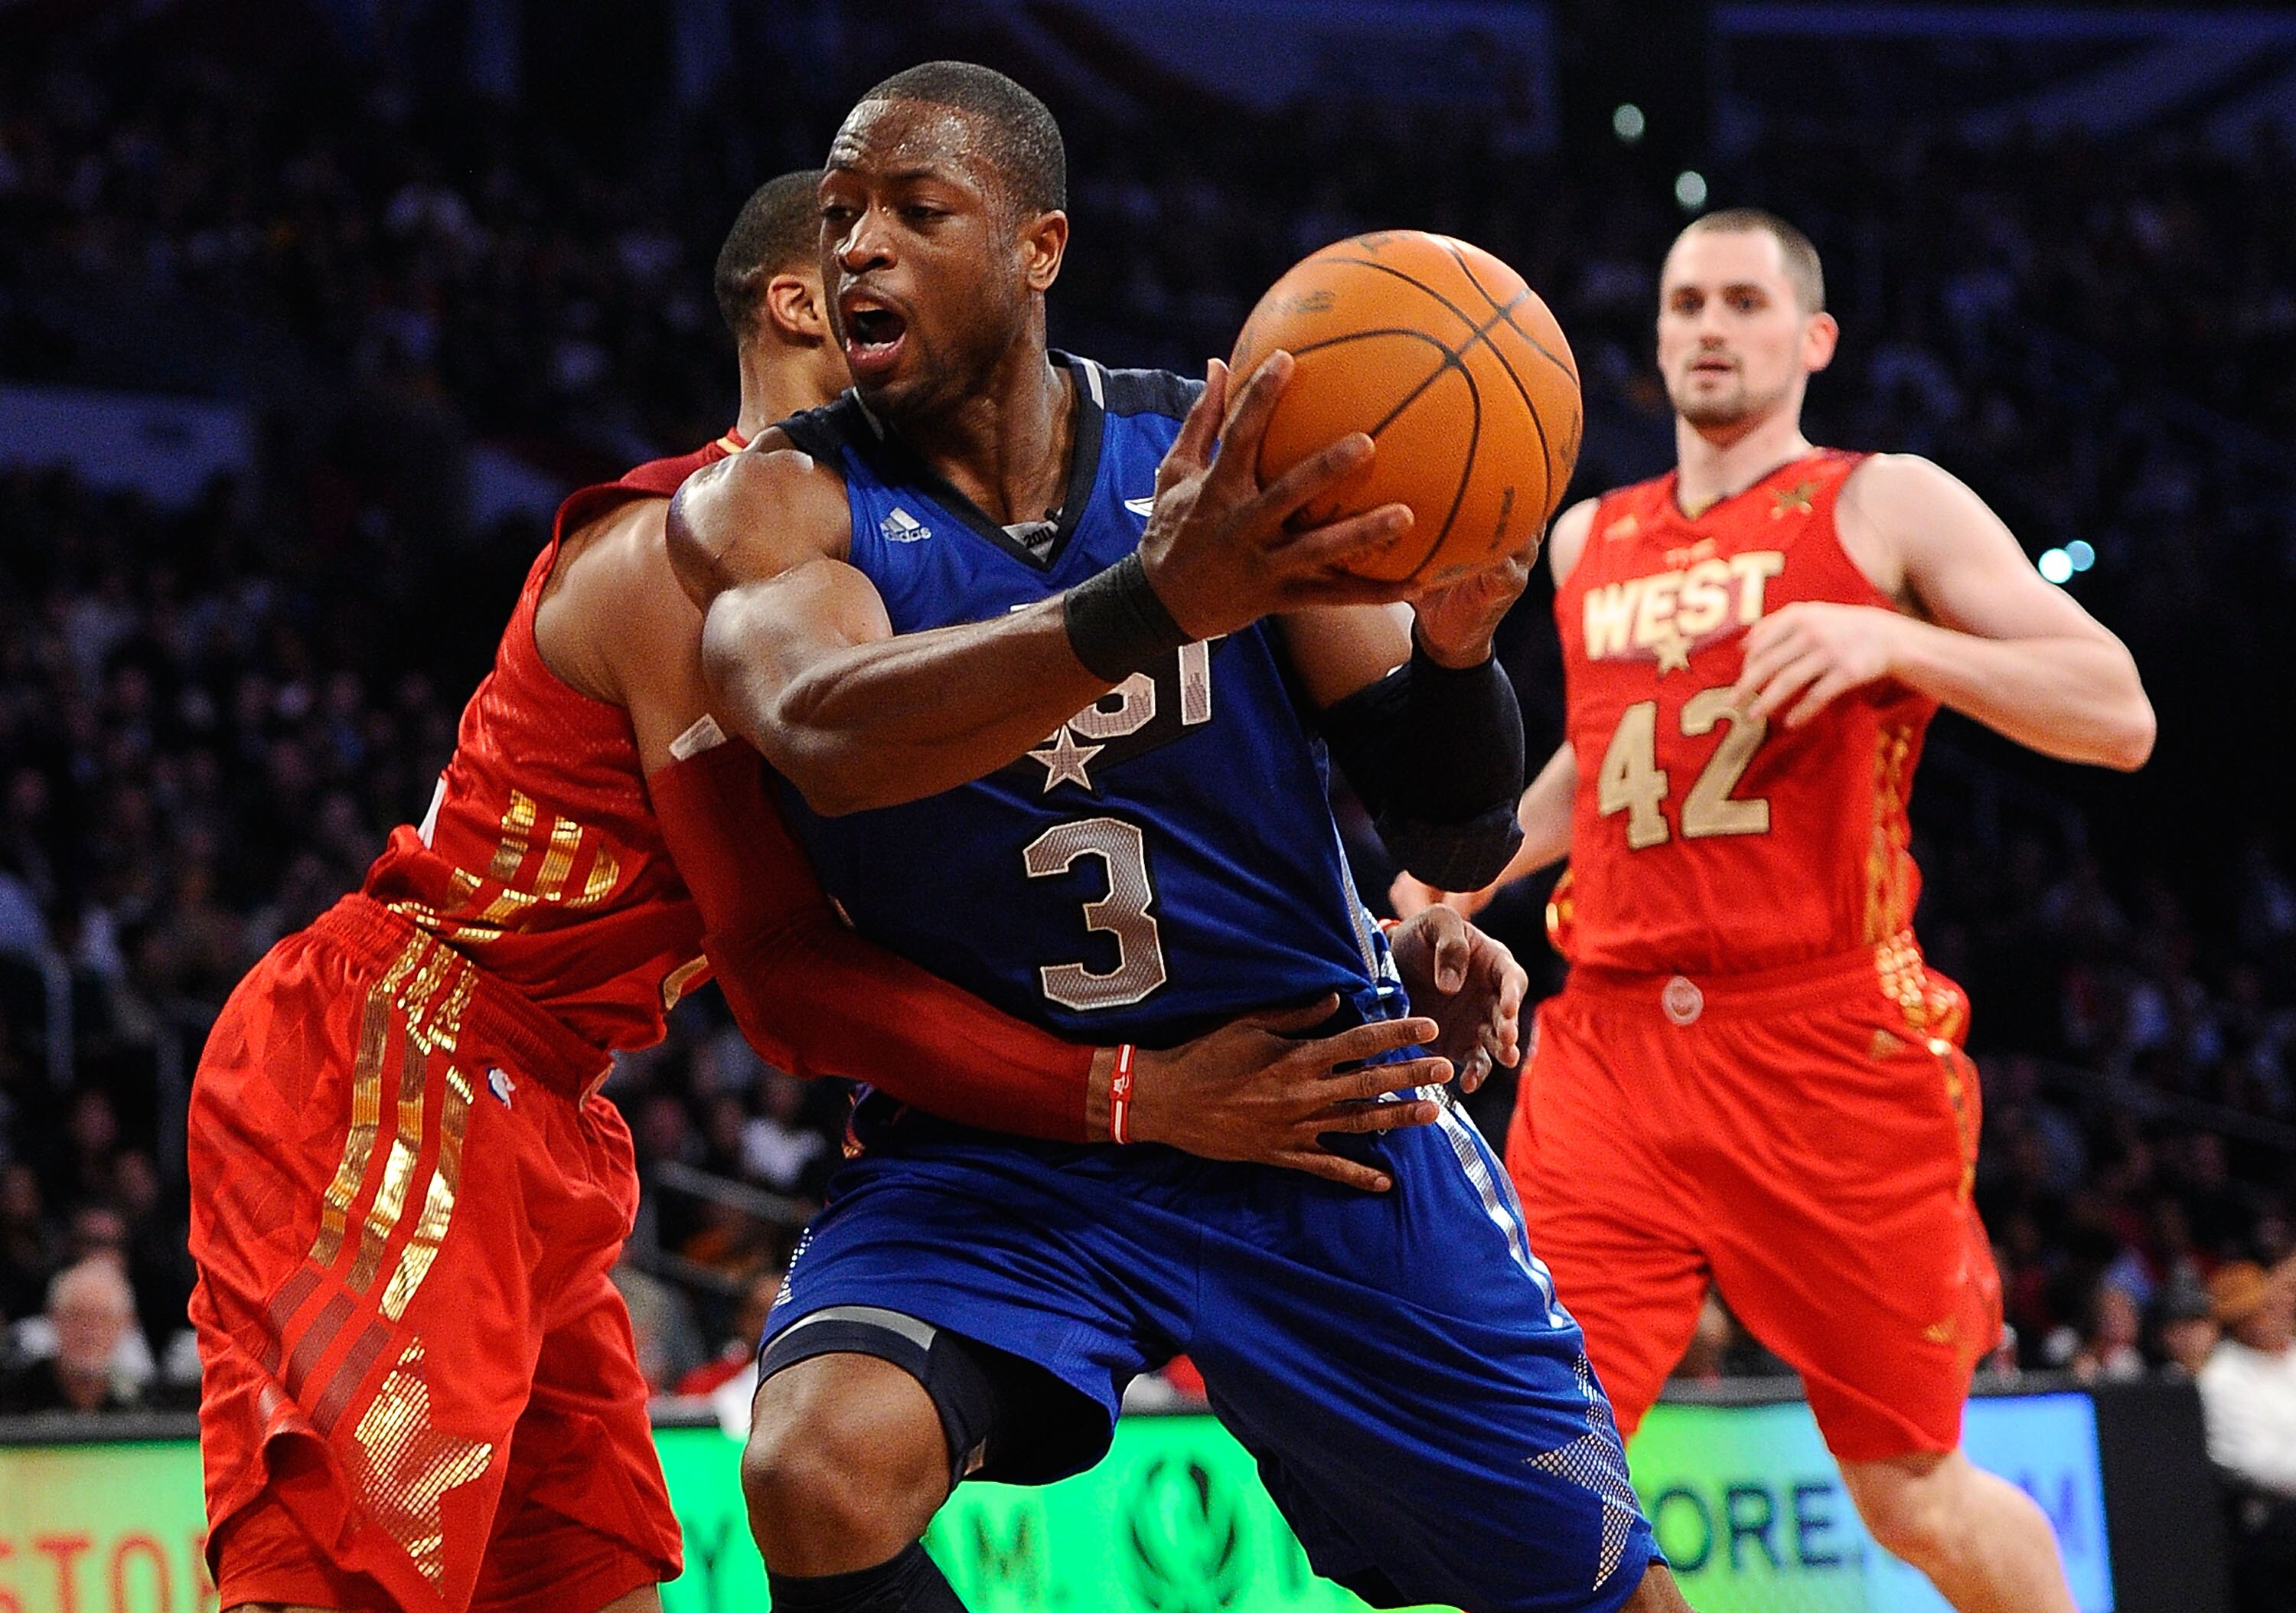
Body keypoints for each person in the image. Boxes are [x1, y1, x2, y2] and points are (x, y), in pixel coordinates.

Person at [187, 170, 1524, 1613]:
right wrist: (1137, 1094)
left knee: (583, 1585)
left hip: (553, 1101)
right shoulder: (685, 552)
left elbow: (1070, 838)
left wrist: (1387, 930)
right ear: (804, 300)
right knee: (328, 1582)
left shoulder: (897, 557)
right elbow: (781, 963)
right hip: (401, 1058)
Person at [671, 62, 1683, 1613]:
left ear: (1039, 250)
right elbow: (828, 732)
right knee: (813, 1468)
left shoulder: (1212, 462)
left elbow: (1452, 811)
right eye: (839, 214)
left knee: (1611, 1599)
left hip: (1309, 1100)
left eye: (913, 211)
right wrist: (1153, 605)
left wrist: (1469, 651)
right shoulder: (776, 508)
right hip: (1011, 1143)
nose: (855, 248)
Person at [1394, 207, 2155, 1613]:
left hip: (1823, 1040)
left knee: (1908, 1491)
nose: (1707, 327)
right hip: (1614, 1040)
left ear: (1811, 339)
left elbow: (2119, 712)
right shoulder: (1586, 539)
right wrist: (1474, 864)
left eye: (1744, 302)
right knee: (1546, 1459)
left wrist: (1893, 636)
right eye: (1685, 302)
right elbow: (1614, 762)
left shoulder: (1887, 500)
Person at [2199, 1258, 2296, 1613]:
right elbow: (2256, 1464)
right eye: (2252, 1314)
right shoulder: (2222, 1378)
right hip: (2269, 1524)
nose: (2268, 1318)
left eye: (2269, 1307)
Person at [0, 1257, 144, 1414]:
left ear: (127, 1324)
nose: (89, 1332)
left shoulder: (138, 1403)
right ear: (53, 1318)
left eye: (102, 1318)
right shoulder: (13, 1399)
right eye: (76, 1316)